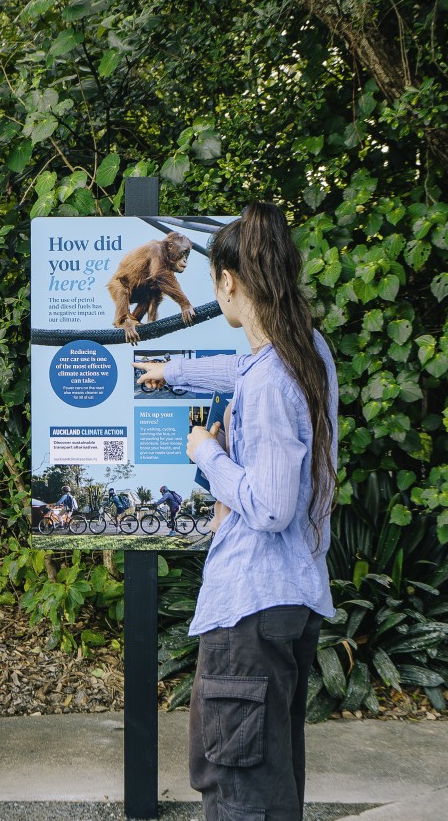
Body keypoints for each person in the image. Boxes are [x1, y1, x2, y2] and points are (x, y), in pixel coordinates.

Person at [134, 202, 337, 821]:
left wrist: (208, 455)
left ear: (228, 282)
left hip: (248, 610)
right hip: (289, 603)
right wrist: (172, 372)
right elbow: (245, 371)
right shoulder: (306, 351)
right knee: (272, 787)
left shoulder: (274, 380)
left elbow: (272, 507)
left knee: (236, 791)